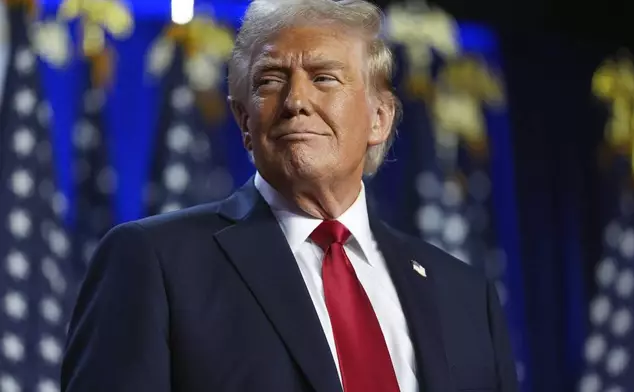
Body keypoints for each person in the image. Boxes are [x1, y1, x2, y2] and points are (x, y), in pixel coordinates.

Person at [61, 0, 519, 391]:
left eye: (324, 78)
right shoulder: (155, 262)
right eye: (270, 81)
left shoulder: (464, 295)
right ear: (244, 122)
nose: (296, 100)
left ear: (379, 118)